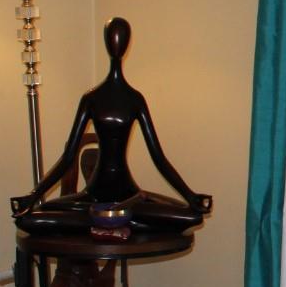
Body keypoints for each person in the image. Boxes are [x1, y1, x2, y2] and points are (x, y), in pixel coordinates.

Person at [12, 17, 212, 236]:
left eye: (121, 37)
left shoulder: (135, 99)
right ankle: (122, 223)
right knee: (32, 218)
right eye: (113, 37)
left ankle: (115, 222)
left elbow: (159, 158)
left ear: (127, 43)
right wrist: (32, 196)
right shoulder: (92, 98)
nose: (117, 43)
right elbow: (68, 157)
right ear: (106, 42)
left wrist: (190, 196)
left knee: (191, 216)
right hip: (92, 197)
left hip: (130, 196)